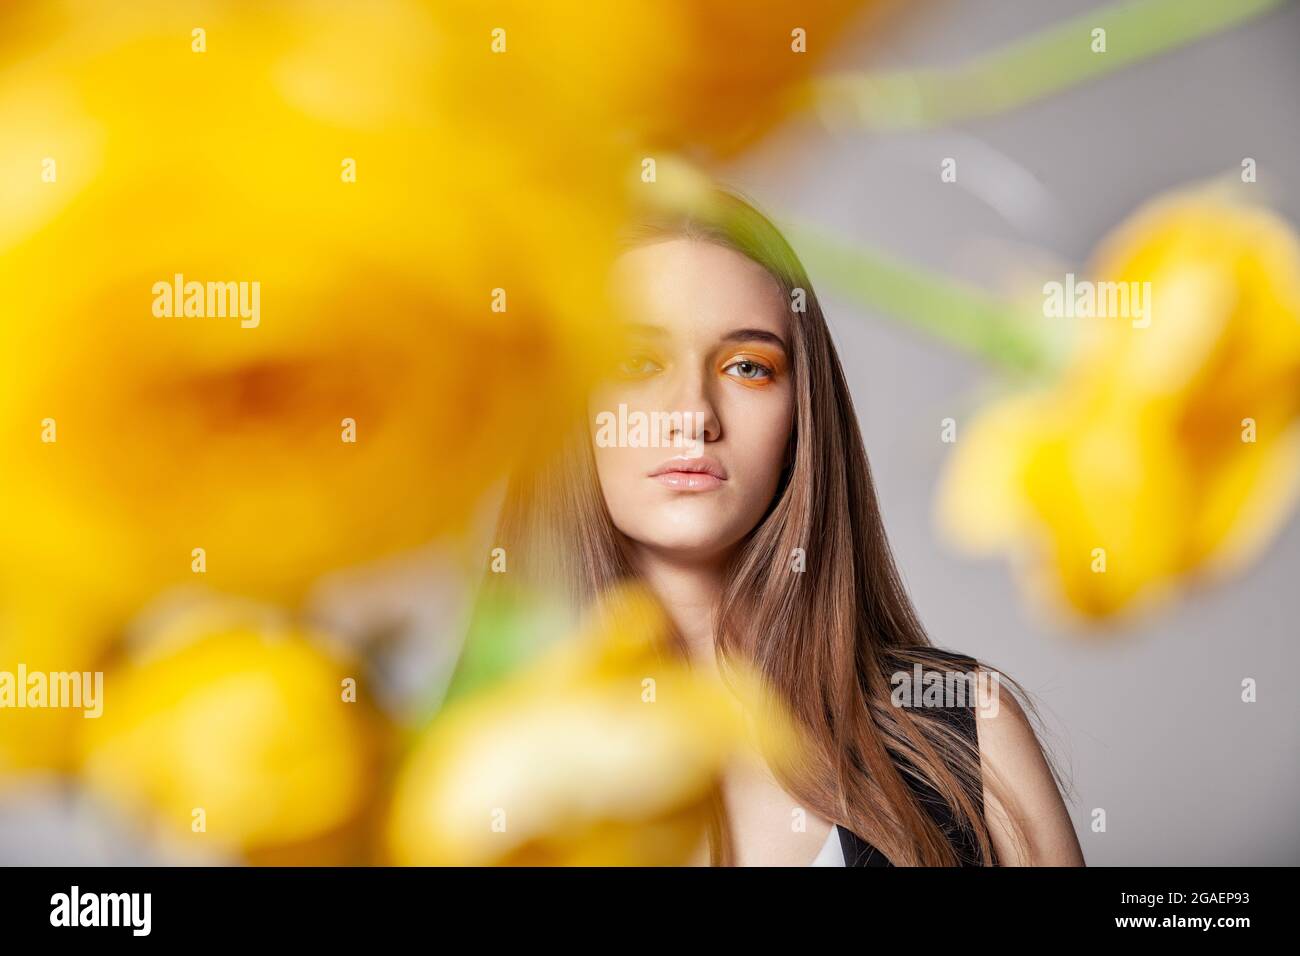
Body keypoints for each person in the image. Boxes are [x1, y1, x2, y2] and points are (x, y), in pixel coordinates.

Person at [490, 186, 1085, 866]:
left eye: (748, 367)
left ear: (802, 413)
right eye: (636, 362)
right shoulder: (465, 772)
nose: (693, 414)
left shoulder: (966, 732)